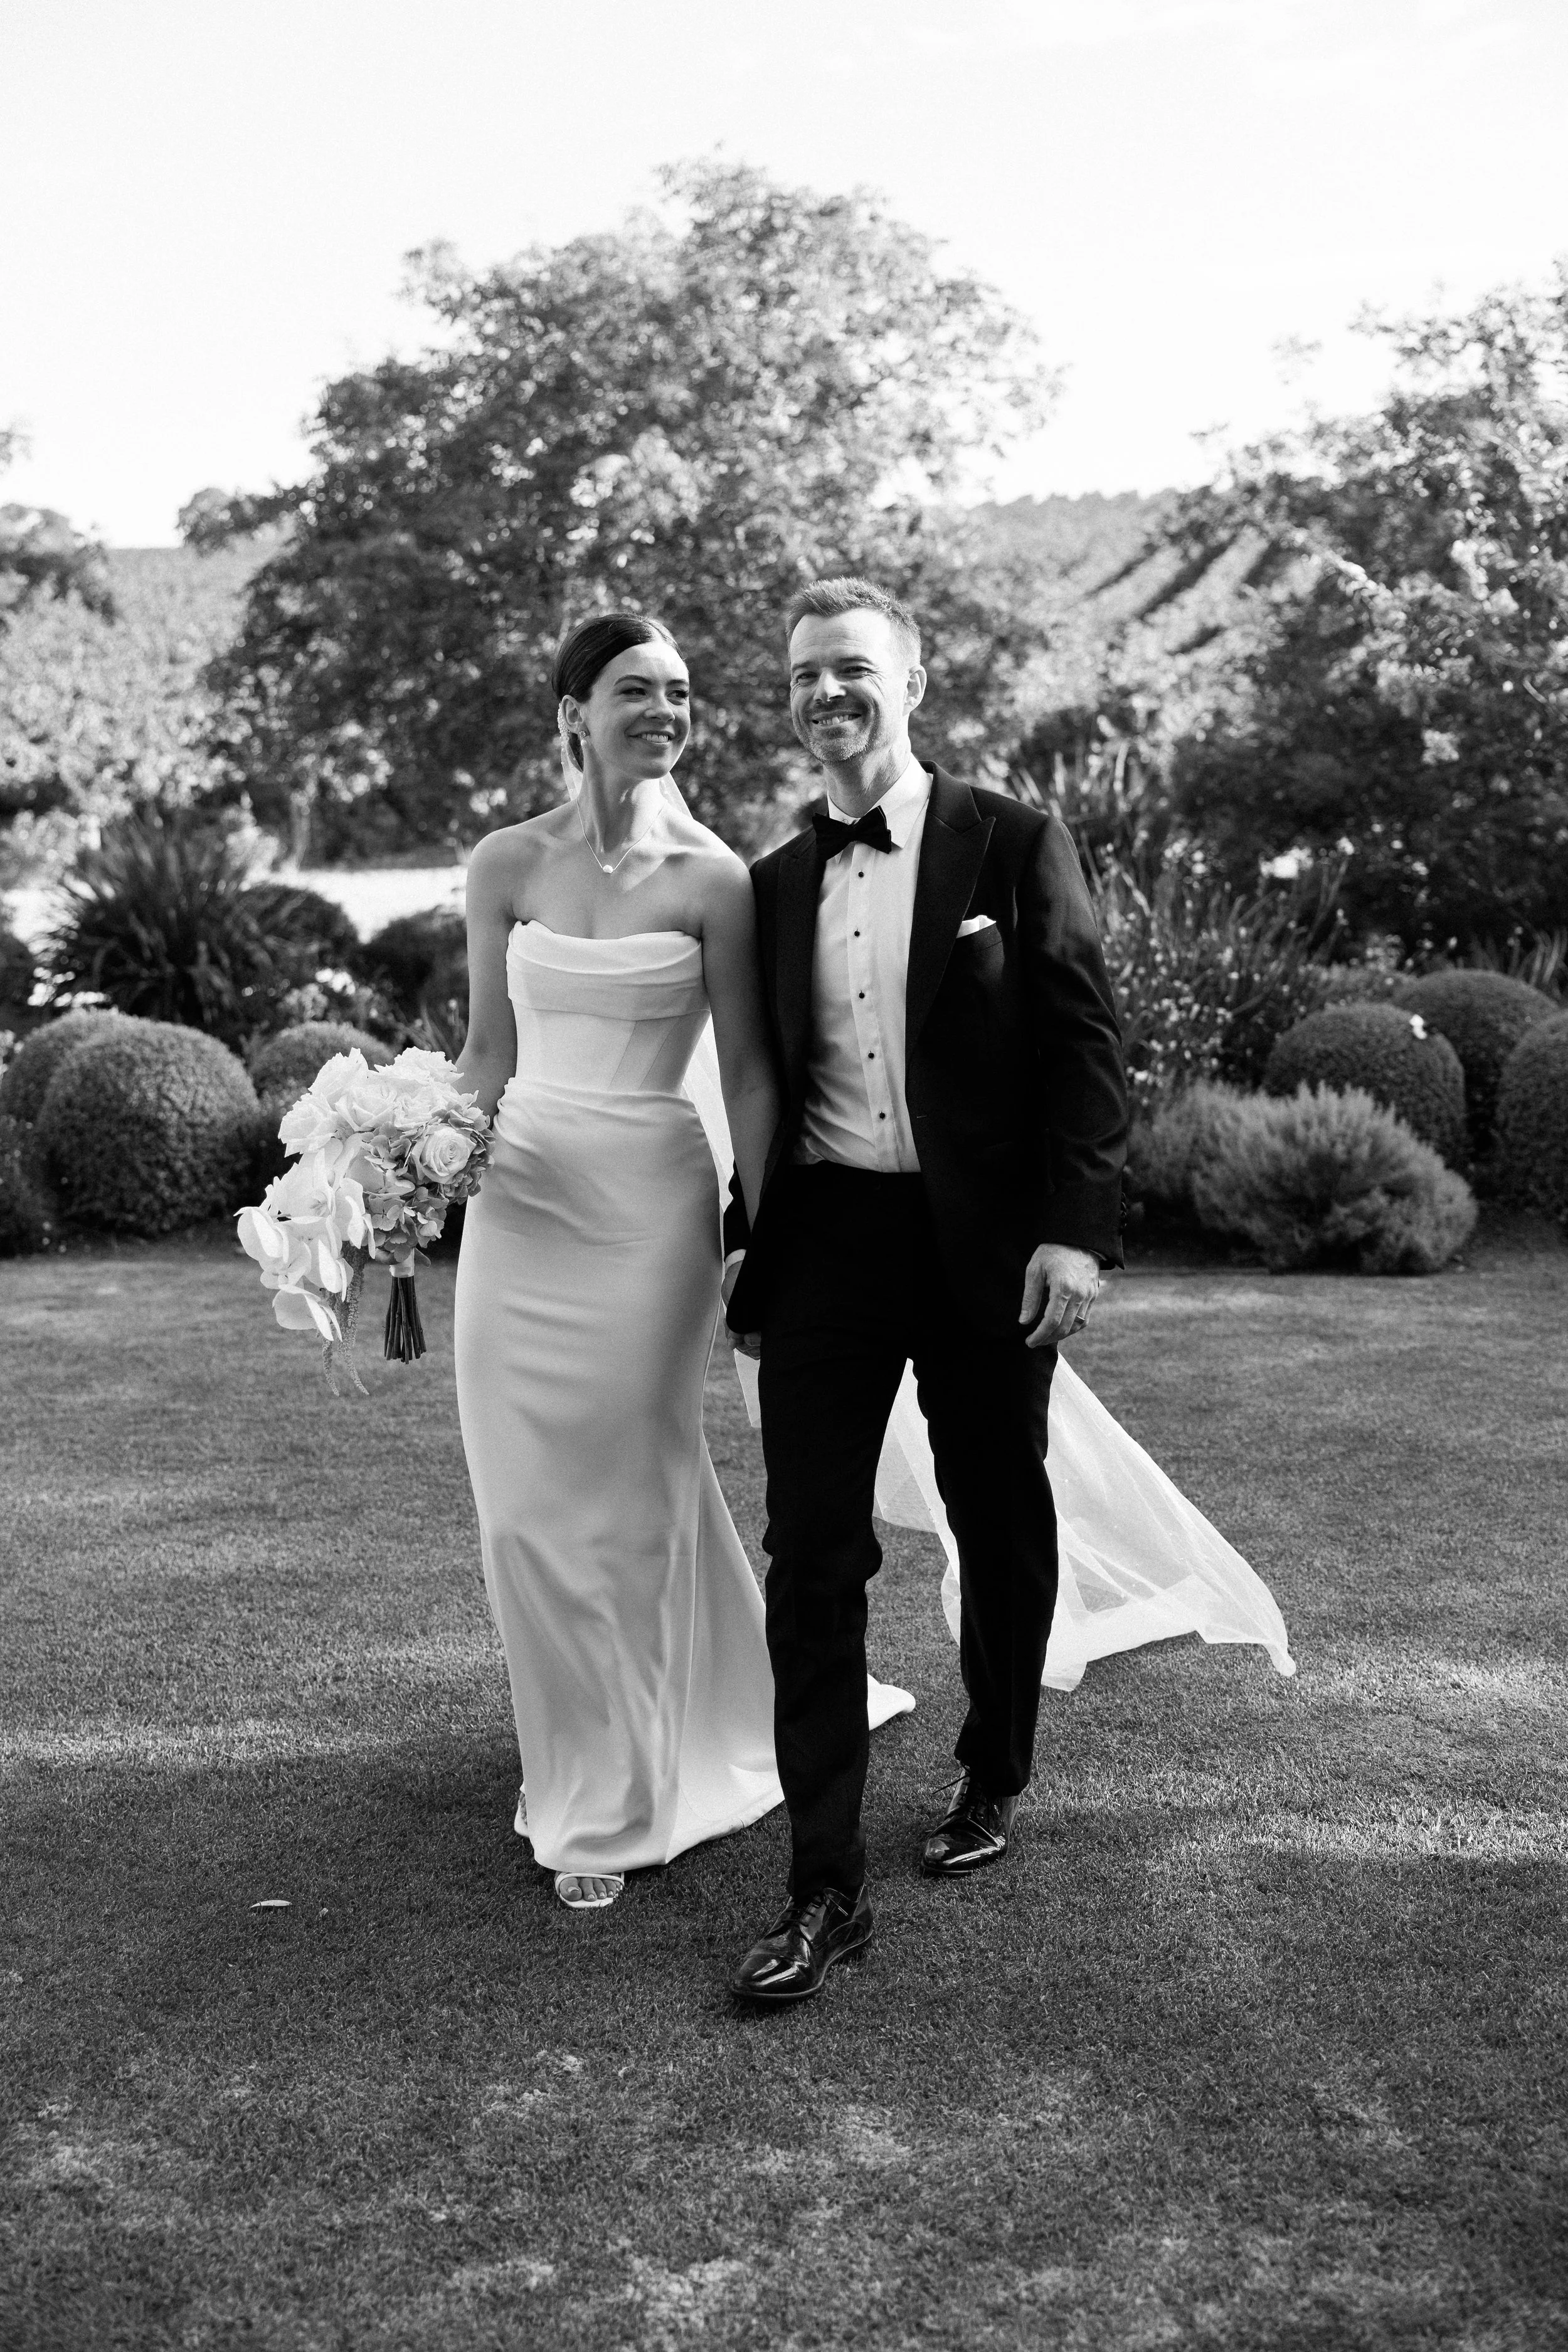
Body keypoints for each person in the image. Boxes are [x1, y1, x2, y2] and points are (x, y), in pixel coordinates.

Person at [452, 611, 911, 1912]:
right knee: (523, 1504)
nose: (664, 710)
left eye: (681, 692)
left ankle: (623, 1793)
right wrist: (410, 1175)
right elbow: (486, 1054)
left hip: (648, 1210)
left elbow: (753, 1081)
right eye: (635, 691)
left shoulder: (715, 879)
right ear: (572, 712)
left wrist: (767, 1242)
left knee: (628, 1498)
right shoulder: (501, 865)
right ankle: (573, 1745)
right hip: (519, 1205)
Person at [723, 575, 1132, 2002]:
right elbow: (764, 1084)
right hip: (828, 1247)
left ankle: (990, 1773)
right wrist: (740, 1231)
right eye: (799, 679)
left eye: (848, 670)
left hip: (982, 1248)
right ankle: (821, 1886)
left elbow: (1084, 1044)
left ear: (909, 681)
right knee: (812, 1554)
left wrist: (1070, 1230)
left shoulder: (1012, 845)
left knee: (997, 1512)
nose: (823, 697)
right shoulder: (771, 883)